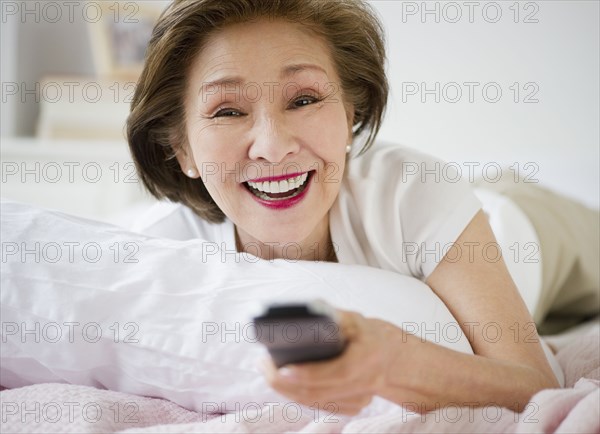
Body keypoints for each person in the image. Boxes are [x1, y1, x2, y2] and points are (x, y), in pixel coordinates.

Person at [126, 0, 599, 416]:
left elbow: (538, 383)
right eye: (228, 111)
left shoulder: (414, 193)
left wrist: (392, 362)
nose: (272, 147)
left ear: (350, 114)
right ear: (181, 148)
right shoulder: (167, 252)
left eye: (304, 99)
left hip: (527, 225)